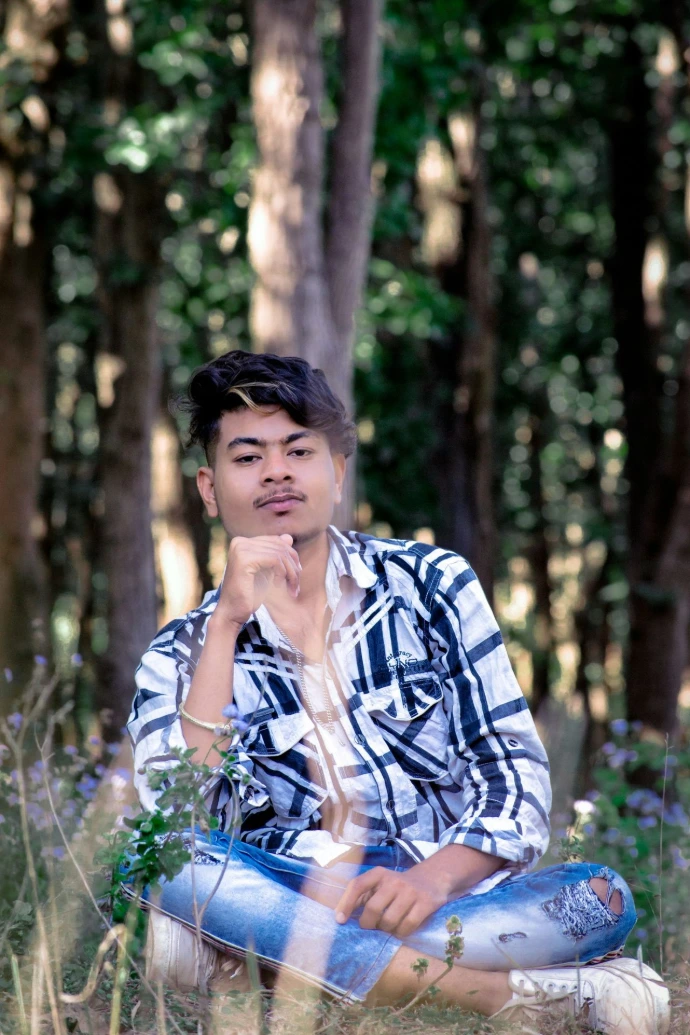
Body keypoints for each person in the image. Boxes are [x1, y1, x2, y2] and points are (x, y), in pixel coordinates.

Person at [126, 350, 669, 1033]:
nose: (275, 471)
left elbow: (517, 776)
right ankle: (529, 999)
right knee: (163, 867)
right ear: (209, 488)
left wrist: (428, 881)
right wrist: (227, 625)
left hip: (449, 906)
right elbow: (179, 825)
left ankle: (277, 970)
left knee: (599, 897)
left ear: (337, 470)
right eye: (247, 456)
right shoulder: (178, 654)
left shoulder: (434, 585)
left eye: (298, 449)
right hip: (294, 892)